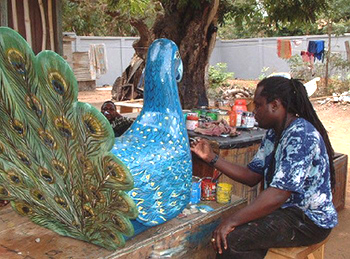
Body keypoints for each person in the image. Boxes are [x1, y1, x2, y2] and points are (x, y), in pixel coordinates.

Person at [190, 76, 338, 259]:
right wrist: (211, 158)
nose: (254, 112)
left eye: (258, 105)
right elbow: (252, 175)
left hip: (308, 220)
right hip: (286, 210)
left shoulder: (301, 136)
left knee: (231, 239)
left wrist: (232, 221)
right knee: (231, 233)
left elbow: (278, 194)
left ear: (275, 105)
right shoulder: (274, 133)